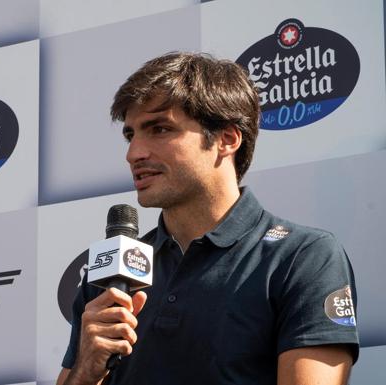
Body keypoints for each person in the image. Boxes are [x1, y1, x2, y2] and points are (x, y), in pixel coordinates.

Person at [57, 52, 359, 385]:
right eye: (131, 135)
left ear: (227, 139)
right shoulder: (110, 275)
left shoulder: (302, 256)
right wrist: (86, 370)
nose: (134, 154)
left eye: (159, 129)